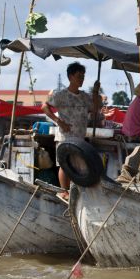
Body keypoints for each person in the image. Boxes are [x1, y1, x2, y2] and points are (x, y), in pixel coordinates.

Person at [43, 61, 101, 190]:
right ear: (70, 77)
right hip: (65, 136)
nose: (81, 79)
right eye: (79, 76)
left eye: (83, 76)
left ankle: (75, 191)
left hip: (79, 138)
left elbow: (95, 108)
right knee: (65, 165)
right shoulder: (61, 95)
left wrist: (96, 92)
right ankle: (64, 191)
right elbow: (45, 106)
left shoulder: (84, 96)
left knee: (79, 166)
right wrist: (59, 121)